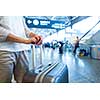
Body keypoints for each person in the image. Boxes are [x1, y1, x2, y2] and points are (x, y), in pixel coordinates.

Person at [0, 16, 42, 83]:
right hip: (5, 49)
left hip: (22, 50)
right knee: (4, 81)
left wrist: (34, 35)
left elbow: (24, 29)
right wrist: (24, 40)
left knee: (24, 80)